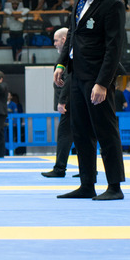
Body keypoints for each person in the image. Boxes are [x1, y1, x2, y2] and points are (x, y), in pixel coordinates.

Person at [54, 0, 127, 200]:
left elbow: (113, 48)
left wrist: (102, 83)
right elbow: (72, 34)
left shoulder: (113, 3)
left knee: (105, 131)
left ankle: (115, 186)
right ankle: (87, 184)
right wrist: (61, 64)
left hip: (97, 78)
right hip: (77, 74)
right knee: (80, 131)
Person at [42, 28, 75, 178]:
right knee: (81, 136)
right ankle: (89, 169)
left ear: (63, 39)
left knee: (64, 135)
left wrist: (62, 101)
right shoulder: (67, 56)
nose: (54, 43)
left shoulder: (69, 57)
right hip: (73, 102)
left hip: (70, 104)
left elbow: (69, 80)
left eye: (56, 40)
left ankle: (60, 168)